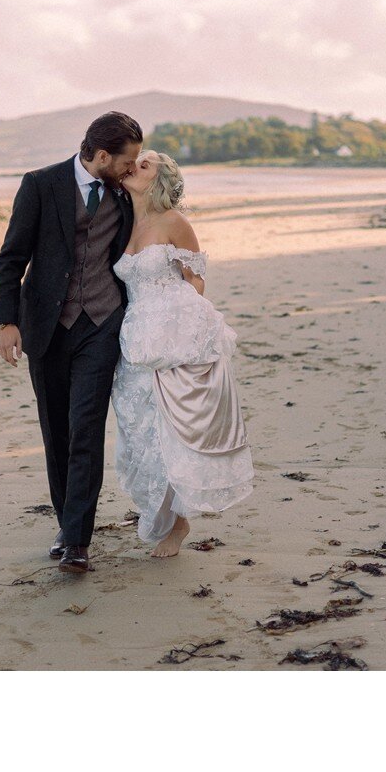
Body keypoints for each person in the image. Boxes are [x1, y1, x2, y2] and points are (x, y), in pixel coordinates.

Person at [0, 111, 143, 573]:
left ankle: (78, 539)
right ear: (101, 156)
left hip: (101, 324)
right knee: (56, 432)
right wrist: (7, 322)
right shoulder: (40, 184)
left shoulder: (125, 192)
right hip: (46, 326)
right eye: (127, 160)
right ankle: (66, 522)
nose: (131, 168)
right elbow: (12, 256)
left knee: (86, 430)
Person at [111, 150, 254, 557]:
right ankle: (160, 511)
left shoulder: (175, 222)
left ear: (158, 180)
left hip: (171, 340)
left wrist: (176, 324)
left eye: (145, 163)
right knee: (140, 432)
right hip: (134, 340)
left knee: (170, 429)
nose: (135, 164)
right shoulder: (122, 221)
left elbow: (196, 280)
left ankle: (179, 523)